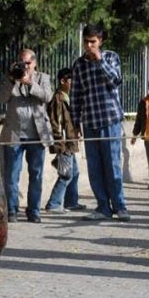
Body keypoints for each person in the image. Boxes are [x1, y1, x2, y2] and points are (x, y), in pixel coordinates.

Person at [70, 23, 130, 222]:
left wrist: (99, 61)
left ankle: (120, 206)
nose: (89, 46)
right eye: (86, 42)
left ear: (100, 41)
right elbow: (76, 94)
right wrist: (75, 122)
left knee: (112, 165)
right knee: (95, 167)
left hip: (110, 119)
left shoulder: (111, 57)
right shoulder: (79, 64)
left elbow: (116, 80)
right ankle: (103, 206)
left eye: (93, 42)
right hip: (89, 121)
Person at [0, 49, 53, 224]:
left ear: (34, 63)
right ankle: (12, 211)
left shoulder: (42, 78)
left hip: (37, 135)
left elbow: (48, 96)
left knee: (36, 175)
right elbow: (1, 98)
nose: (25, 66)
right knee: (11, 175)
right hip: (14, 134)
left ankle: (34, 211)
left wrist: (29, 82)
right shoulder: (10, 77)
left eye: (28, 63)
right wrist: (12, 81)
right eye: (22, 63)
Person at [45, 68, 87, 214]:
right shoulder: (58, 99)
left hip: (70, 142)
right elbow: (55, 123)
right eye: (71, 81)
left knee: (74, 173)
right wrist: (59, 143)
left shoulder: (68, 98)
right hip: (64, 143)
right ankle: (54, 203)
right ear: (63, 81)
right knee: (66, 174)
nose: (74, 84)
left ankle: (71, 202)